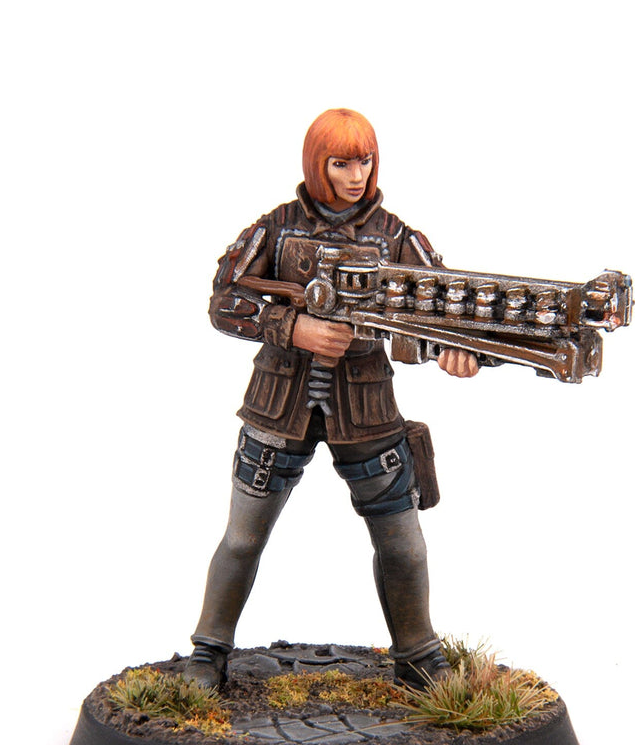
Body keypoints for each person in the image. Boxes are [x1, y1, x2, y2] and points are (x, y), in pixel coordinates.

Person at [184, 108, 477, 691]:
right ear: (317, 164)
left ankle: (419, 655)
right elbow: (224, 300)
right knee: (242, 538)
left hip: (366, 412)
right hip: (278, 403)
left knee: (403, 545)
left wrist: (460, 351)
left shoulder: (397, 237)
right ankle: (208, 652)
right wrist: (292, 327)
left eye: (364, 161)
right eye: (341, 163)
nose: (355, 175)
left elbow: (445, 308)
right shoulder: (275, 228)